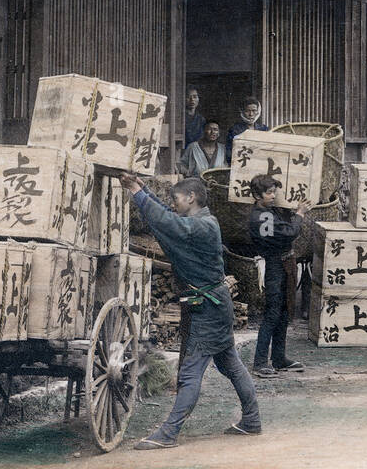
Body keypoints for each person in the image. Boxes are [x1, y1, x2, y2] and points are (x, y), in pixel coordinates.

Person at [120, 173, 261, 447]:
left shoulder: (202, 226)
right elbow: (165, 217)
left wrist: (138, 191)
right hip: (213, 305)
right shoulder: (198, 222)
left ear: (191, 198)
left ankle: (169, 433)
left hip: (208, 308)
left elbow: (166, 222)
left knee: (190, 372)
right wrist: (143, 189)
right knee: (230, 363)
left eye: (175, 198)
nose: (172, 203)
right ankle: (252, 420)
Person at [246, 174, 304, 377]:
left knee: (284, 311)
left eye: (274, 192)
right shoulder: (261, 216)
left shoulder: (269, 212)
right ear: (257, 195)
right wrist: (300, 214)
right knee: (272, 313)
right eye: (269, 192)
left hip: (284, 264)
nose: (273, 196)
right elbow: (289, 233)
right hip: (274, 265)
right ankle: (260, 362)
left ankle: (279, 358)